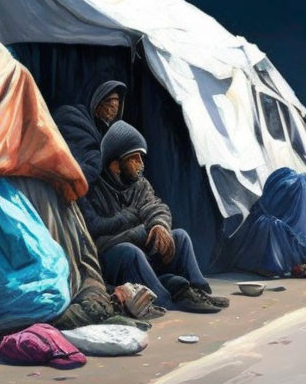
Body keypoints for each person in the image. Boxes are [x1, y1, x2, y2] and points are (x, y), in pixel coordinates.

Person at [80, 120, 228, 313]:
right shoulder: (93, 189)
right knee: (128, 251)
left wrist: (159, 225)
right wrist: (134, 222)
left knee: (180, 236)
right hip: (112, 259)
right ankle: (165, 299)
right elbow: (95, 230)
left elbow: (155, 207)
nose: (141, 165)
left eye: (141, 158)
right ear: (116, 165)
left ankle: (197, 291)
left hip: (142, 249)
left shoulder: (140, 184)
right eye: (135, 159)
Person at [53, 80, 127, 185]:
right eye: (109, 103)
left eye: (117, 105)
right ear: (97, 101)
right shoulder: (72, 117)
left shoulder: (104, 132)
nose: (112, 110)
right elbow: (88, 164)